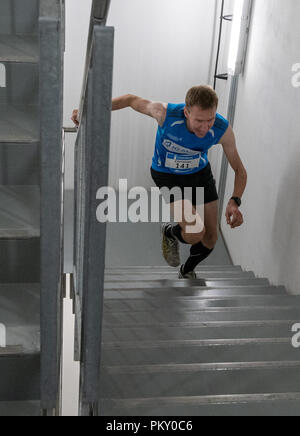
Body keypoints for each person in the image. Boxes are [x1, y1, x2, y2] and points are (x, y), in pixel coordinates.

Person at [71, 85, 247, 279]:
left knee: (211, 237)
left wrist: (235, 201)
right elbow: (130, 99)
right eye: (199, 120)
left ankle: (186, 270)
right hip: (167, 175)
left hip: (199, 174)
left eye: (210, 120)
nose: (205, 128)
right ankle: (171, 232)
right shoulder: (165, 114)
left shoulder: (222, 130)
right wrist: (87, 111)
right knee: (196, 232)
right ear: (187, 112)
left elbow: (240, 171)